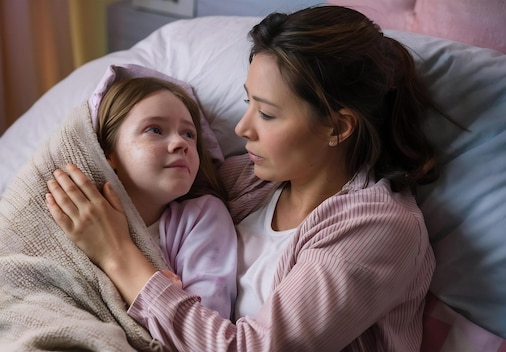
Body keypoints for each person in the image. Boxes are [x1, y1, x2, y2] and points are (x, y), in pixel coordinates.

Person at [46, 5, 441, 351]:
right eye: (246, 102)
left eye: (266, 114)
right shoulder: (246, 180)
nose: (241, 128)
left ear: (337, 127)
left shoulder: (380, 229)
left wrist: (117, 255)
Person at [45, 76, 237, 320]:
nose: (181, 143)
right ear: (107, 152)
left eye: (189, 134)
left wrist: (157, 291)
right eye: (155, 130)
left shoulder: (200, 215)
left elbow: (209, 321)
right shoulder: (78, 211)